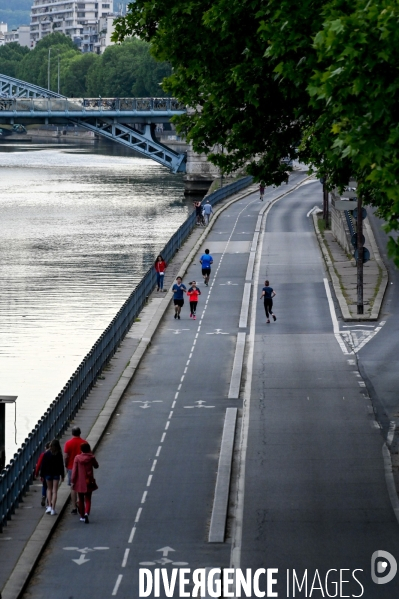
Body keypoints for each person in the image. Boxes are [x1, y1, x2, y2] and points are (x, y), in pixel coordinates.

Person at [71, 442, 99, 524]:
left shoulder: (77, 458)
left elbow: (74, 471)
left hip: (80, 482)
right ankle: (87, 513)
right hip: (89, 481)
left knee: (80, 499)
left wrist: (72, 481)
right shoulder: (91, 457)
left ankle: (82, 516)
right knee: (88, 499)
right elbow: (96, 466)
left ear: (81, 450)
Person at [64, 426, 87, 515]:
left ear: (72, 433)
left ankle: (74, 507)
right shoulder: (84, 442)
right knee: (81, 486)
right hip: (82, 468)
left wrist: (66, 465)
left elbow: (65, 456)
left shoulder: (68, 443)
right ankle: (80, 503)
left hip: (71, 467)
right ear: (80, 433)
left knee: (73, 487)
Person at [40, 439, 65, 515]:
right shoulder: (59, 454)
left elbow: (43, 465)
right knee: (55, 491)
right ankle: (53, 509)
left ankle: (49, 506)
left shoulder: (47, 453)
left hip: (48, 473)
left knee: (49, 489)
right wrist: (62, 475)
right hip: (56, 474)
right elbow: (61, 466)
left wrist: (42, 475)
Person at [35, 442, 50, 507]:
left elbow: (38, 465)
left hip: (44, 473)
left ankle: (44, 496)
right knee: (50, 488)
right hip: (52, 473)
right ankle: (49, 501)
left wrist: (36, 473)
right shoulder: (54, 454)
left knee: (44, 486)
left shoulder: (43, 454)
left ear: (45, 447)